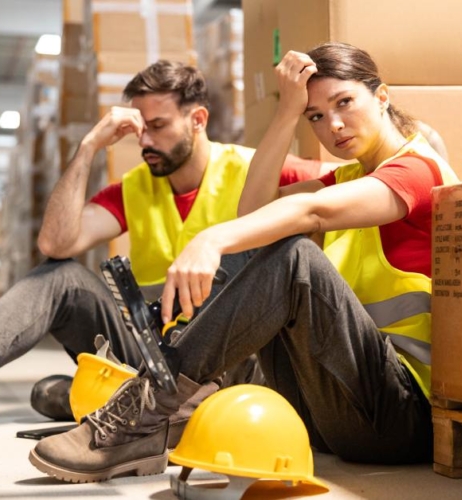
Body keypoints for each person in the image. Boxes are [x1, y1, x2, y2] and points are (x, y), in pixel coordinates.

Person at [28, 41, 459, 483]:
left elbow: (312, 212)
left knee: (295, 257)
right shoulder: (348, 176)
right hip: (339, 410)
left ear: (381, 96)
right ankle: (161, 407)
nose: (332, 125)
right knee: (271, 240)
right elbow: (255, 211)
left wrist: (210, 239)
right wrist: (287, 111)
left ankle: (145, 412)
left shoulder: (418, 169)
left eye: (344, 103)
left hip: (400, 413)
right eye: (315, 116)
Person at [0, 60, 325, 422]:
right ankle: (134, 402)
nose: (145, 141)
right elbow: (55, 244)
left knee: (53, 393)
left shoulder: (257, 169)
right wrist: (89, 146)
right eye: (140, 129)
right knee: (57, 278)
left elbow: (346, 187)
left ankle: (119, 401)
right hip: (152, 355)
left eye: (158, 126)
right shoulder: (134, 188)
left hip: (226, 360)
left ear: (198, 120)